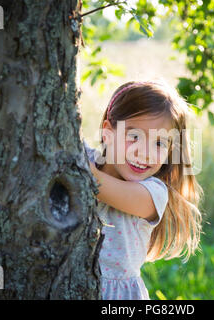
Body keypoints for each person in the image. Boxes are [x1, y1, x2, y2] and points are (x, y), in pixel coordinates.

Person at [83, 79, 203, 299]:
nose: (145, 153)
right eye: (134, 136)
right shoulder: (87, 159)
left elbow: (92, 181)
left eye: (159, 143)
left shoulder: (153, 193)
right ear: (108, 132)